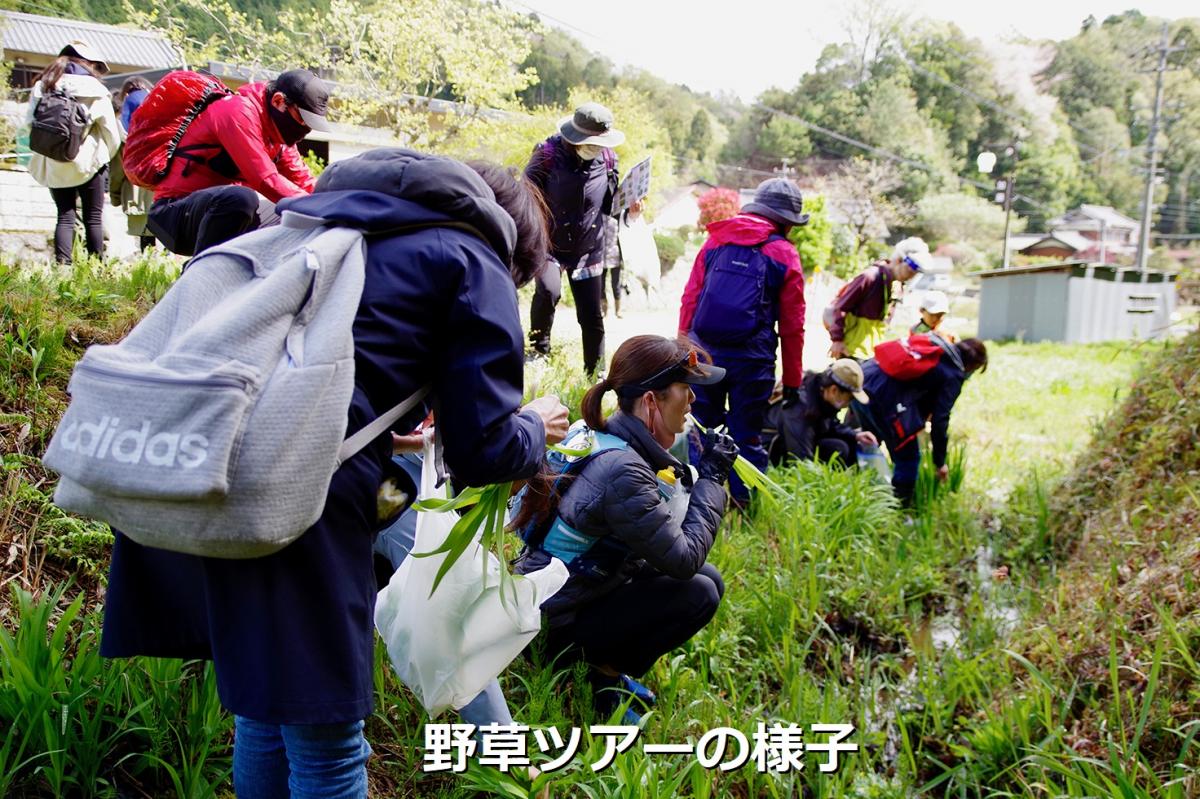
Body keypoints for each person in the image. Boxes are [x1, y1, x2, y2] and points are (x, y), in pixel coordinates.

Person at [101, 149, 571, 798]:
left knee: (267, 713)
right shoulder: (470, 255)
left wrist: (381, 426)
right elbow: (484, 451)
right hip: (306, 498)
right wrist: (535, 425)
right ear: (510, 240)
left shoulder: (325, 221)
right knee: (329, 746)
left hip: (218, 465)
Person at [514, 335, 736, 721]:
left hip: (565, 595)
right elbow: (683, 559)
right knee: (698, 592)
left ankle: (605, 669)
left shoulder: (606, 437)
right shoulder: (623, 470)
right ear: (651, 401)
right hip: (552, 624)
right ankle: (599, 678)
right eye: (685, 389)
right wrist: (713, 479)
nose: (692, 400)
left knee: (710, 579)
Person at [678, 177, 808, 506]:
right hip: (753, 361)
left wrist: (683, 347)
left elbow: (690, 298)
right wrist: (793, 380)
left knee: (700, 429)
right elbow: (793, 325)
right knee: (746, 435)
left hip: (703, 354)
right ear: (786, 222)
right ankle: (743, 505)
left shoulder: (716, 241)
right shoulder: (784, 253)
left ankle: (696, 503)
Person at [145, 69, 329, 257]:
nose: (305, 128)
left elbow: (306, 183)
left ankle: (252, 273)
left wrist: (335, 206)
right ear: (278, 101)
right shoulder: (236, 111)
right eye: (303, 120)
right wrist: (319, 208)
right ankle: (200, 271)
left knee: (299, 218)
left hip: (223, 214)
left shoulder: (278, 138)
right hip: (175, 214)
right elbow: (265, 180)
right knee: (240, 198)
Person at [525, 102, 624, 375]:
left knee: (591, 312)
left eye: (599, 143)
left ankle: (595, 372)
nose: (594, 148)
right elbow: (524, 196)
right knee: (549, 291)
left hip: (588, 247)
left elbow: (610, 206)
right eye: (589, 143)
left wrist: (629, 204)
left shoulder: (608, 160)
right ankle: (538, 352)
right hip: (550, 244)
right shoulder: (547, 154)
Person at [852, 337, 988, 504]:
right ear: (972, 365)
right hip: (884, 399)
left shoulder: (935, 344)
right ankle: (897, 509)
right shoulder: (953, 373)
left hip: (861, 380)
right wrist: (940, 462)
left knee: (869, 441)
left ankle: (859, 493)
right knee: (908, 459)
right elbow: (940, 420)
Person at [24, 41, 120, 264]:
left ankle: (63, 267)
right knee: (93, 217)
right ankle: (95, 267)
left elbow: (30, 123)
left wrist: (53, 147)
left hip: (55, 160)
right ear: (87, 62)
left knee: (64, 216)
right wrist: (105, 156)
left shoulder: (44, 85)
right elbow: (111, 133)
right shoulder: (95, 89)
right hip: (89, 162)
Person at [826, 237, 931, 360]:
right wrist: (837, 340)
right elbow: (841, 308)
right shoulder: (869, 277)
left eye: (915, 274)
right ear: (899, 260)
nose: (911, 277)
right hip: (850, 349)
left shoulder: (896, 286)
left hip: (871, 352)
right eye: (910, 271)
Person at [765, 359, 878, 467]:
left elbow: (829, 425)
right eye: (849, 399)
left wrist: (855, 435)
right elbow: (800, 457)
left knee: (845, 444)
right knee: (838, 448)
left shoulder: (820, 393)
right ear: (834, 390)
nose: (848, 404)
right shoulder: (800, 407)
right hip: (775, 448)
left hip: (799, 440)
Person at [111, 77, 157, 251]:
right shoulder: (163, 119)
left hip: (136, 192)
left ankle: (148, 263)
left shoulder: (122, 129)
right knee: (167, 237)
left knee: (146, 240)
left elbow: (118, 169)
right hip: (164, 190)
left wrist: (115, 196)